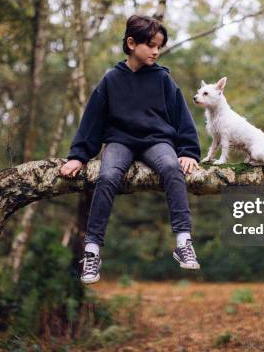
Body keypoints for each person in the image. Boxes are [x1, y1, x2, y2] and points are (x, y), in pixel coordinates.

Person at [59, 15, 202, 284]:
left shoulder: (162, 79)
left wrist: (188, 152)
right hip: (120, 142)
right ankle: (91, 252)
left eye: (159, 46)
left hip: (157, 141)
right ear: (132, 43)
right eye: (151, 45)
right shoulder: (111, 79)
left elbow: (183, 119)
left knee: (172, 168)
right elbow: (92, 122)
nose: (157, 51)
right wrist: (78, 157)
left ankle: (183, 242)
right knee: (108, 176)